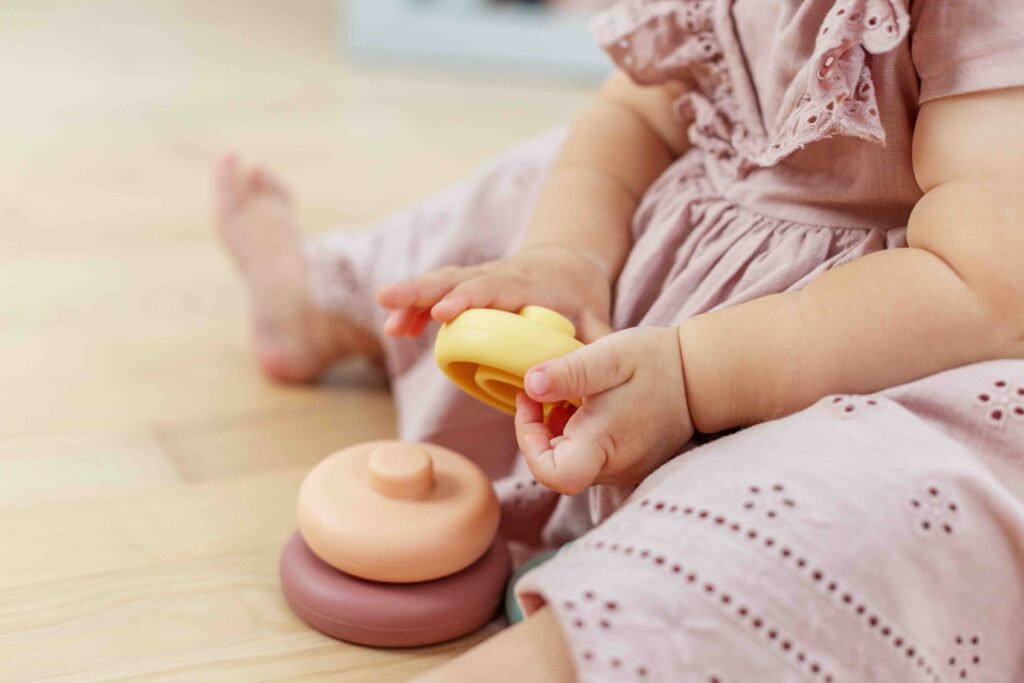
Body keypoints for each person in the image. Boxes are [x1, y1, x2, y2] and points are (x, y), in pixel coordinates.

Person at [215, 1, 1024, 680]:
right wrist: (568, 255)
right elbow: (637, 113)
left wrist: (695, 372)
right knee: (535, 190)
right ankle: (331, 303)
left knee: (861, 512)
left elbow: (982, 284)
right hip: (703, 243)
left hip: (887, 346)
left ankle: (576, 645)